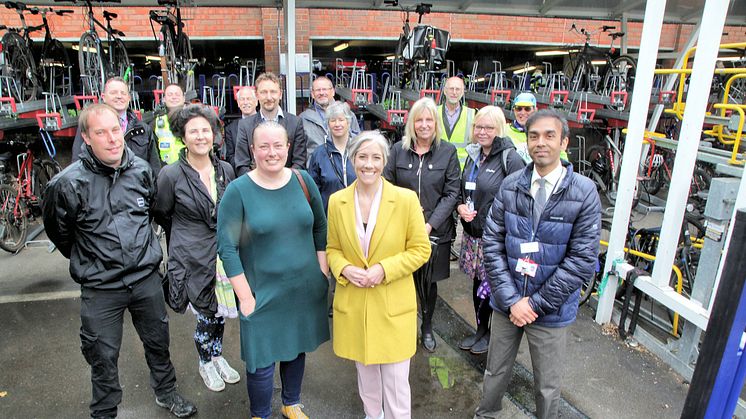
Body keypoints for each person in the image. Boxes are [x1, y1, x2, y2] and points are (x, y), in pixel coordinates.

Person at [42, 103, 197, 419]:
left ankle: (166, 393)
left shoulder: (141, 170)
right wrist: (91, 260)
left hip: (145, 279)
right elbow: (60, 233)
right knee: (101, 353)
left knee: (158, 342)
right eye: (101, 132)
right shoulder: (68, 184)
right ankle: (105, 409)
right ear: (87, 137)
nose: (112, 139)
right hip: (101, 287)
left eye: (116, 130)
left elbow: (155, 214)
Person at [475, 109, 601, 419]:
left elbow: (581, 260)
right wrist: (512, 300)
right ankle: (485, 415)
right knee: (495, 372)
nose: (540, 143)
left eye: (549, 136)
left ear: (564, 142)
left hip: (551, 309)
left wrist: (535, 304)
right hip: (508, 304)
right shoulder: (512, 184)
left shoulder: (584, 193)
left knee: (547, 385)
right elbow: (492, 243)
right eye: (534, 136)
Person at [217, 121, 329, 419]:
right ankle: (260, 415)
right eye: (263, 146)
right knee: (261, 362)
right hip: (261, 291)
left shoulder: (303, 180)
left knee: (296, 348)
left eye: (278, 145)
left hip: (303, 287)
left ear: (288, 147)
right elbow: (227, 247)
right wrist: (245, 297)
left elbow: (320, 225)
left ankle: (291, 403)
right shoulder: (238, 191)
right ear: (252, 150)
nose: (271, 152)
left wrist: (322, 270)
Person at [327, 130, 431, 419]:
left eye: (376, 157)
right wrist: (344, 268)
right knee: (367, 380)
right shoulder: (337, 201)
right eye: (362, 157)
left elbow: (421, 250)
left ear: (384, 161)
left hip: (392, 306)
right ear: (352, 159)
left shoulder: (405, 199)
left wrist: (384, 269)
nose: (368, 164)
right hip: (356, 306)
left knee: (397, 384)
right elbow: (333, 248)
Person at [152, 104, 240, 393]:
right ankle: (205, 362)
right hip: (191, 257)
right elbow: (163, 213)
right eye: (194, 131)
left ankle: (217, 355)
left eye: (206, 130)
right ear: (183, 136)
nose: (201, 136)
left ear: (214, 134)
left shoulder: (225, 169)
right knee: (204, 315)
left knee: (219, 313)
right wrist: (184, 239)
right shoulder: (171, 174)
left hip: (221, 255)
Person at [383, 97, 460, 353]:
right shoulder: (398, 151)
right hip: (400, 231)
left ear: (436, 123)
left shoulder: (447, 152)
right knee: (399, 281)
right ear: (411, 123)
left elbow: (452, 193)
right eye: (419, 120)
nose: (424, 125)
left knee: (428, 283)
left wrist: (427, 226)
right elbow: (387, 187)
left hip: (435, 233)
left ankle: (426, 327)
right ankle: (400, 327)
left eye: (429, 120)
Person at [456, 106, 525, 355]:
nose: (482, 132)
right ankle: (480, 330)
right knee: (477, 286)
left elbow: (520, 200)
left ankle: (492, 335)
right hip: (474, 235)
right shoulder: (475, 154)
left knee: (492, 287)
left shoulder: (509, 157)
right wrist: (461, 205)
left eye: (488, 127)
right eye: (478, 127)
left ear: (499, 129)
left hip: (495, 238)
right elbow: (465, 189)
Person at [71, 77, 161, 175]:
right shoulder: (90, 125)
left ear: (129, 98)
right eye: (114, 92)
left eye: (123, 93)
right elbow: (77, 163)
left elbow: (154, 168)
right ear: (103, 97)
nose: (119, 96)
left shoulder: (143, 129)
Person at [233, 72, 307, 175]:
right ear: (257, 95)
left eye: (273, 92)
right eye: (264, 92)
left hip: (287, 186)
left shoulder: (295, 123)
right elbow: (241, 165)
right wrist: (261, 182)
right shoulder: (245, 126)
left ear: (280, 94)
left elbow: (300, 163)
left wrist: (281, 181)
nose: (269, 97)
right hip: (256, 188)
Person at [307, 101, 357, 212]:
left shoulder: (359, 151)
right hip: (329, 216)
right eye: (333, 120)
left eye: (341, 119)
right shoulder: (319, 154)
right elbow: (313, 193)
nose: (337, 124)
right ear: (328, 124)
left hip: (357, 216)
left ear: (348, 122)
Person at [300, 76, 361, 159]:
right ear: (312, 94)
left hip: (345, 165)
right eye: (318, 90)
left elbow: (358, 142)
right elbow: (300, 151)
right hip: (317, 168)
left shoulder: (349, 114)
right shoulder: (303, 118)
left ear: (333, 91)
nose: (321, 93)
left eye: (325, 89)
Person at [505, 92, 568, 163]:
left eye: (527, 109)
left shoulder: (544, 131)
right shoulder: (504, 130)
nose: (522, 113)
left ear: (535, 110)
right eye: (518, 108)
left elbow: (561, 154)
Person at [437, 76, 476, 168]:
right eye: (451, 89)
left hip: (461, 170)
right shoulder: (433, 112)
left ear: (462, 92)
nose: (454, 92)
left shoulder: (472, 114)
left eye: (457, 89)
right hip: (437, 168)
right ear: (445, 91)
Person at [222, 86, 258, 166]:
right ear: (238, 103)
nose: (245, 102)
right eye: (242, 99)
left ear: (256, 101)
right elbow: (230, 156)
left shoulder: (265, 122)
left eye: (249, 98)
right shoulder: (230, 128)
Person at [154, 83, 187, 165]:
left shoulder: (194, 119)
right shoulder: (157, 122)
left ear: (184, 98)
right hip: (165, 171)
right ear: (164, 99)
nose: (174, 97)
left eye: (177, 94)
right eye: (170, 94)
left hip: (190, 169)